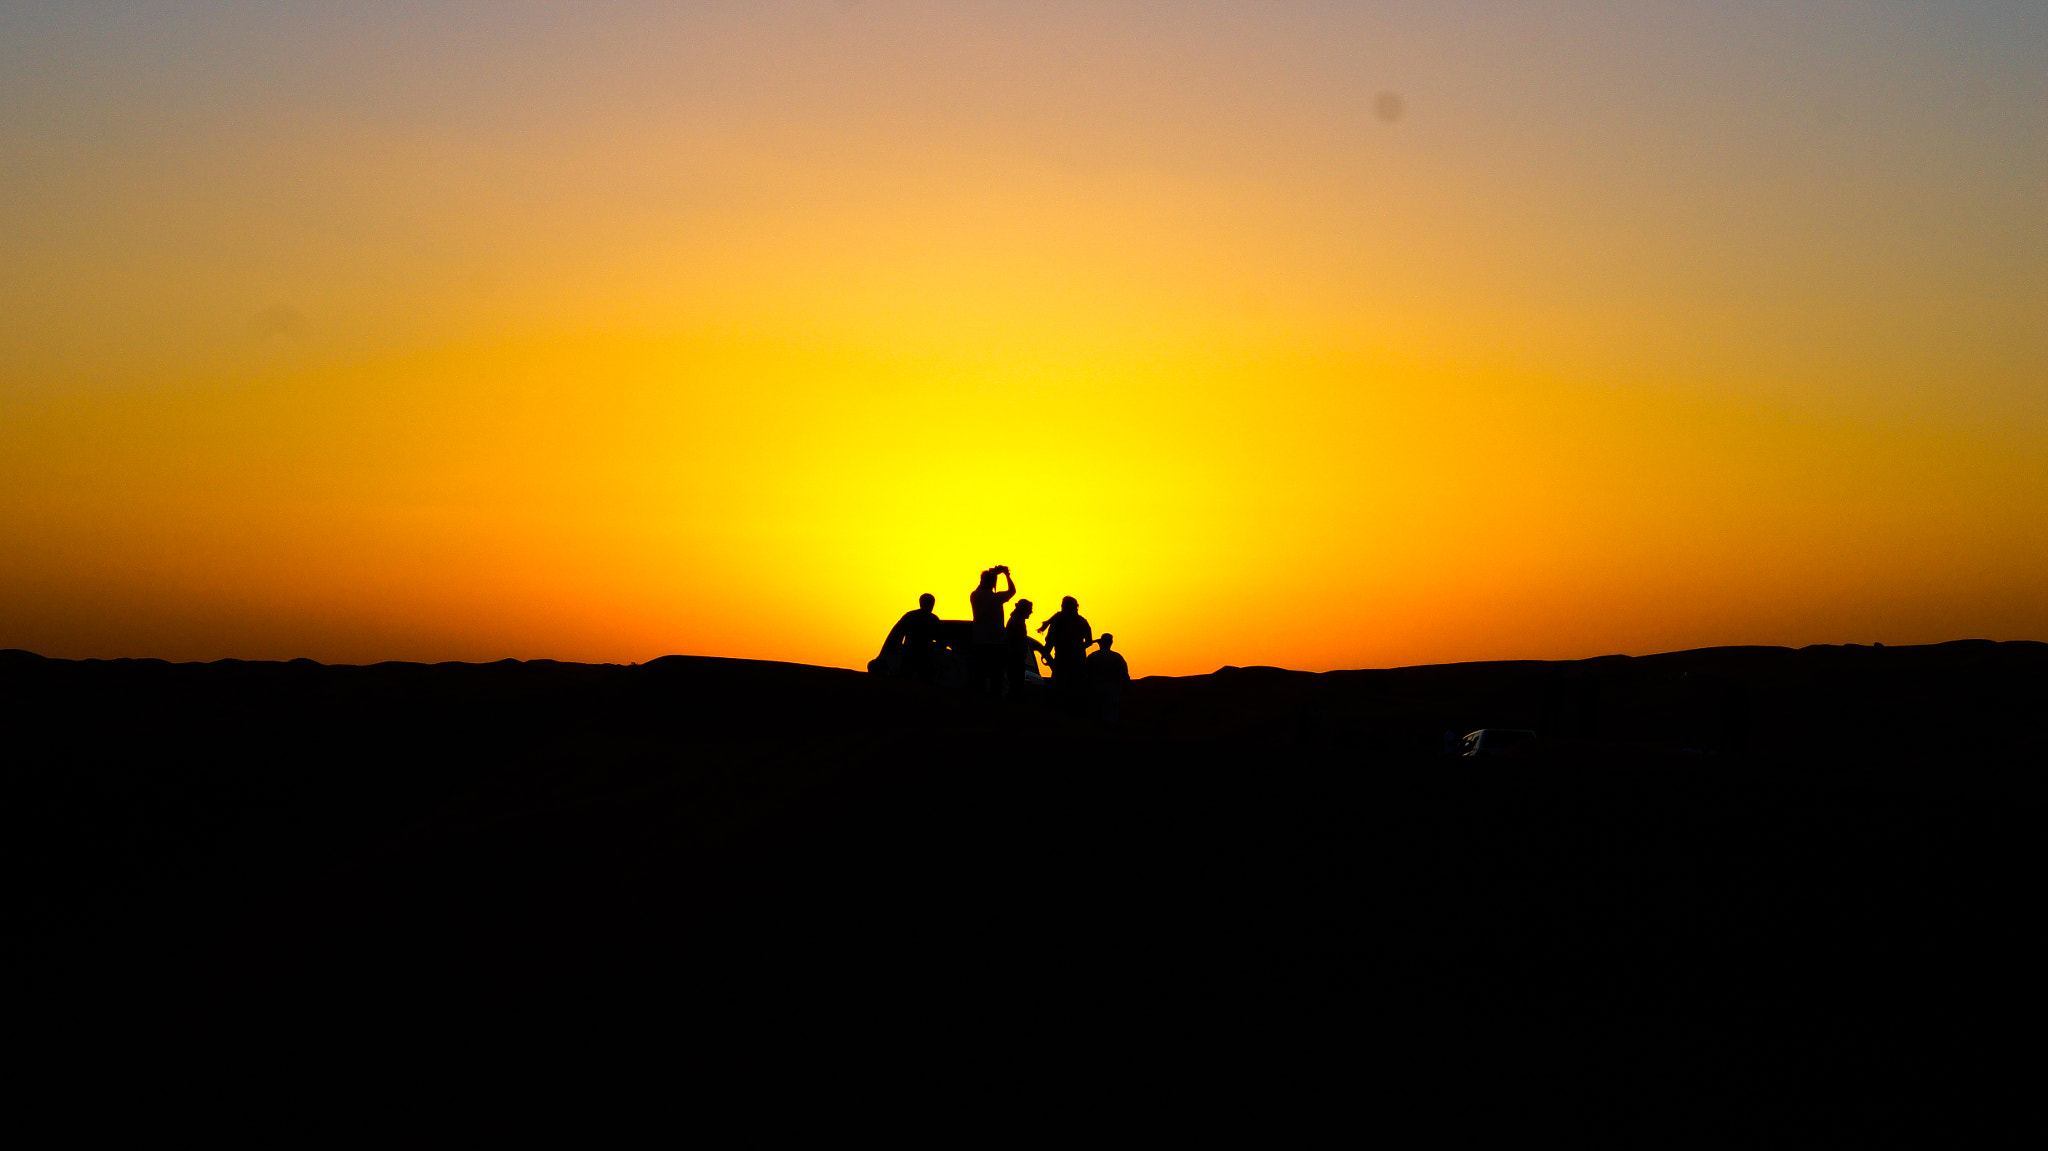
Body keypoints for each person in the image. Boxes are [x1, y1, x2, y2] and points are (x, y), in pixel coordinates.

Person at [968, 566, 1016, 695]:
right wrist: (1006, 575)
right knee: (997, 675)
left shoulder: (975, 596)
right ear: (994, 583)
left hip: (979, 640)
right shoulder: (997, 598)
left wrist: (991, 575)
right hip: (996, 642)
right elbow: (1012, 591)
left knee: (980, 674)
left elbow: (981, 587)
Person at [876, 593, 943, 682]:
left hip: (914, 653)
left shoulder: (912, 616)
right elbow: (898, 633)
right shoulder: (932, 619)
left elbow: (898, 633)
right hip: (918, 654)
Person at [1037, 596, 1092, 696]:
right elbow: (1089, 641)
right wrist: (1078, 648)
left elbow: (1050, 640)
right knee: (1076, 689)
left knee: (1059, 688)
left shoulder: (1058, 620)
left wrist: (1046, 653)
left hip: (1062, 660)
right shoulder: (1082, 621)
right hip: (1077, 661)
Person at [1004, 599, 1048, 696]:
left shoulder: (1016, 620)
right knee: (1016, 685)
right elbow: (1015, 641)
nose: (1030, 612)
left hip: (1015, 658)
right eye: (1029, 609)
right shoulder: (1017, 621)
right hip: (1015, 658)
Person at [1086, 633, 1130, 722]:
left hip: (1095, 690)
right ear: (1111, 643)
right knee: (1111, 717)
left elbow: (1085, 673)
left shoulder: (1093, 656)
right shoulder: (1117, 657)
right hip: (1113, 691)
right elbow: (1125, 675)